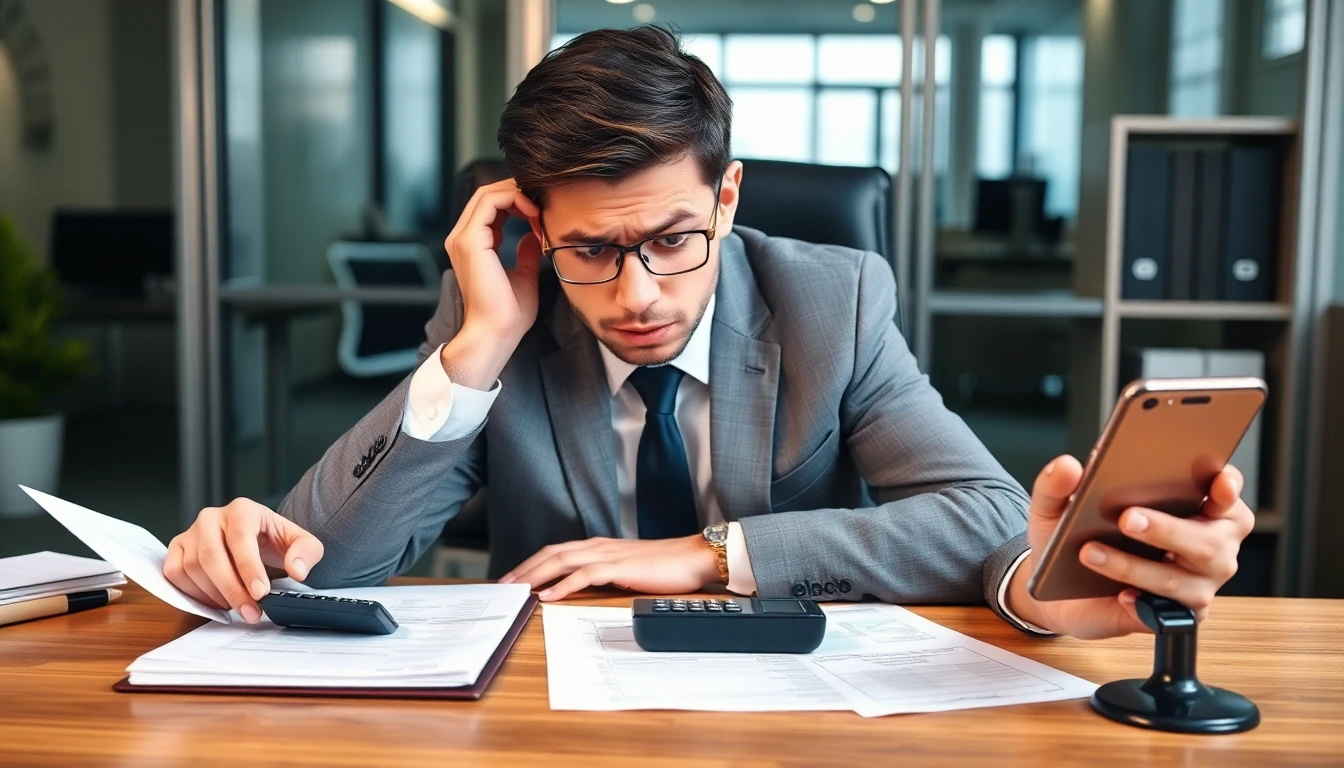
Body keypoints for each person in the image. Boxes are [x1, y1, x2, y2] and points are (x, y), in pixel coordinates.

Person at [162, 26, 1253, 640]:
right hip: (557, 729)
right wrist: (478, 349)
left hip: (803, 714)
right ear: (535, 227)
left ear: (728, 199)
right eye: (591, 248)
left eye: (676, 238)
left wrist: (707, 555)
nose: (638, 294)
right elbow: (328, 572)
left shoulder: (834, 298)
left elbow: (980, 518)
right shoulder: (499, 314)